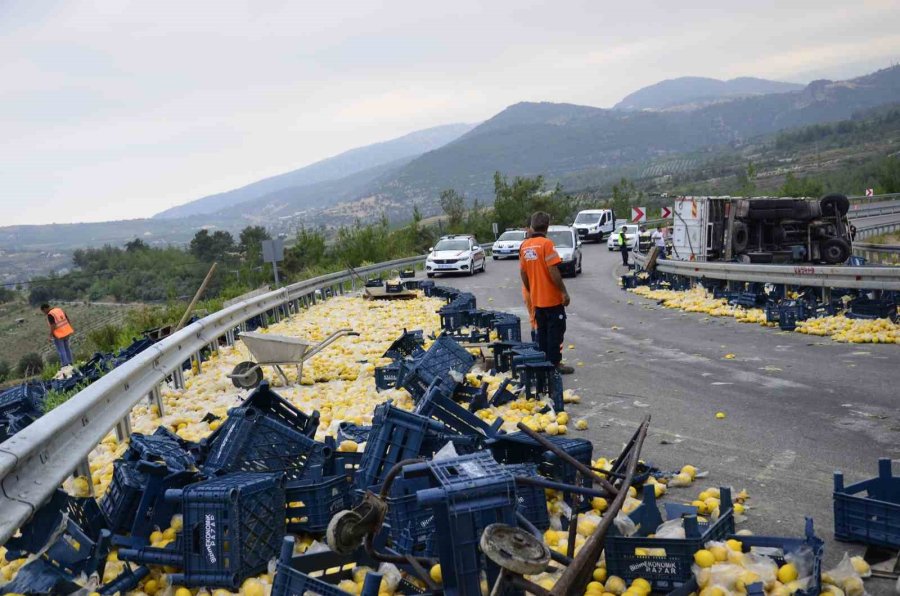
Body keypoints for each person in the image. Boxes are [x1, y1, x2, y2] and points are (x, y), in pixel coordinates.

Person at [520, 211, 574, 374]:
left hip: (537, 301)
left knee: (542, 333)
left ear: (532, 226)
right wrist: (563, 292)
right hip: (552, 300)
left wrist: (531, 289)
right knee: (555, 333)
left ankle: (543, 363)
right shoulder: (546, 244)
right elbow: (553, 270)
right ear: (547, 227)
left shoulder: (525, 246)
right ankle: (555, 364)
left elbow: (523, 273)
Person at [519, 219, 538, 341]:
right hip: (534, 288)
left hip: (528, 288)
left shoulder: (524, 246)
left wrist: (528, 287)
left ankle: (535, 341)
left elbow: (523, 271)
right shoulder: (543, 244)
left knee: (533, 316)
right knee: (536, 316)